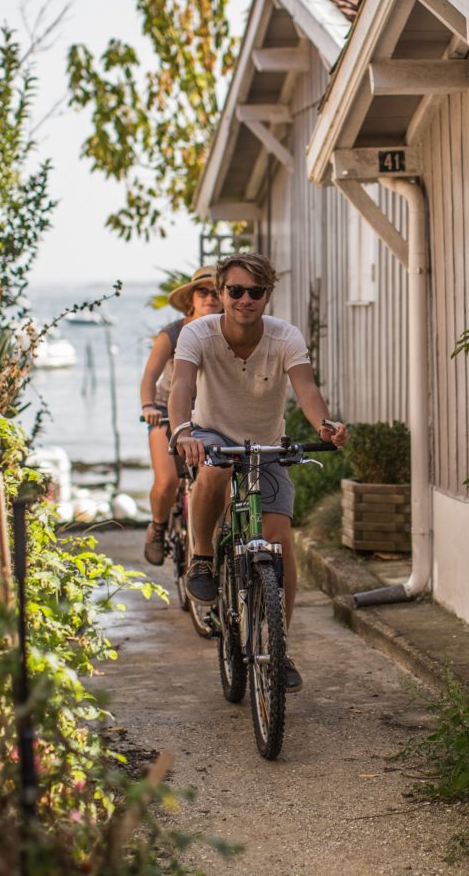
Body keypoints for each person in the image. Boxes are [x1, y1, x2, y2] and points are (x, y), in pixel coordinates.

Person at [168, 252, 348, 692]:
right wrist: (182, 431)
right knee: (212, 466)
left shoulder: (285, 337)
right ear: (221, 292)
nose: (245, 299)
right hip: (211, 434)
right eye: (235, 291)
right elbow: (182, 385)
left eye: (255, 291)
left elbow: (306, 389)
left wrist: (324, 425)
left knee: (280, 541)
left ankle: (278, 647)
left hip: (264, 444)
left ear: (267, 295)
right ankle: (204, 560)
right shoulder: (197, 334)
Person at [140, 266, 221, 565]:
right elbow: (150, 375)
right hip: (165, 412)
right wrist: (148, 406)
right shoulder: (173, 333)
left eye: (216, 292)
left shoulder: (228, 332)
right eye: (203, 292)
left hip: (208, 413)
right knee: (168, 481)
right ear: (191, 298)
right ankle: (158, 527)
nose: (210, 297)